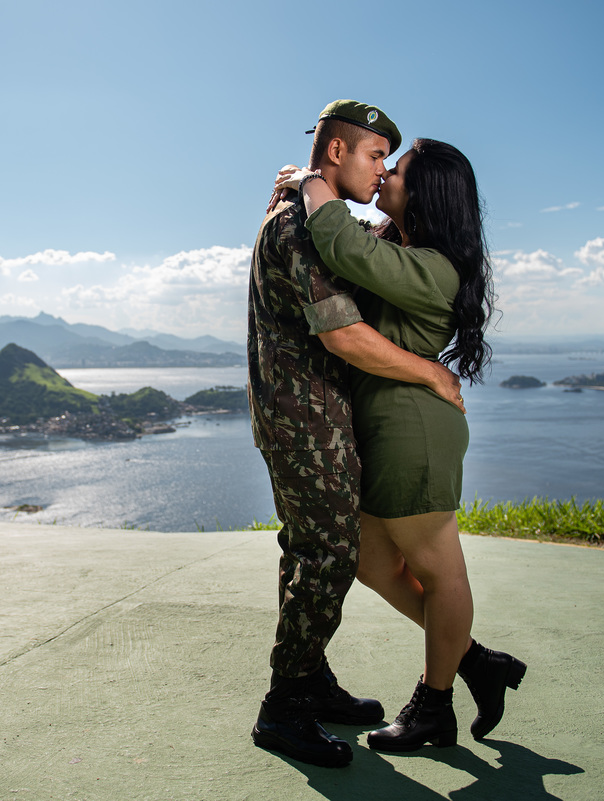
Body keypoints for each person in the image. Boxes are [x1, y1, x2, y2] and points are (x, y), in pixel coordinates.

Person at [282, 136, 527, 753]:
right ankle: (475, 662)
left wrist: (313, 181)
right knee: (369, 562)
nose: (385, 172)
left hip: (412, 432)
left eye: (400, 170)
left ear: (425, 195)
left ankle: (434, 706)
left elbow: (339, 239)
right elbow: (351, 241)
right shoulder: (404, 248)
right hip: (387, 426)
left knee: (440, 574)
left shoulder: (435, 267)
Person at [247, 100, 466, 769]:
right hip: (303, 417)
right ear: (338, 153)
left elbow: (356, 237)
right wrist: (431, 373)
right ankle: (285, 705)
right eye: (376, 156)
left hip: (314, 414)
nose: (381, 173)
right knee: (328, 553)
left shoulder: (320, 217)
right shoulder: (303, 227)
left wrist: (304, 183)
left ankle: (308, 678)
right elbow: (341, 332)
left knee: (312, 547)